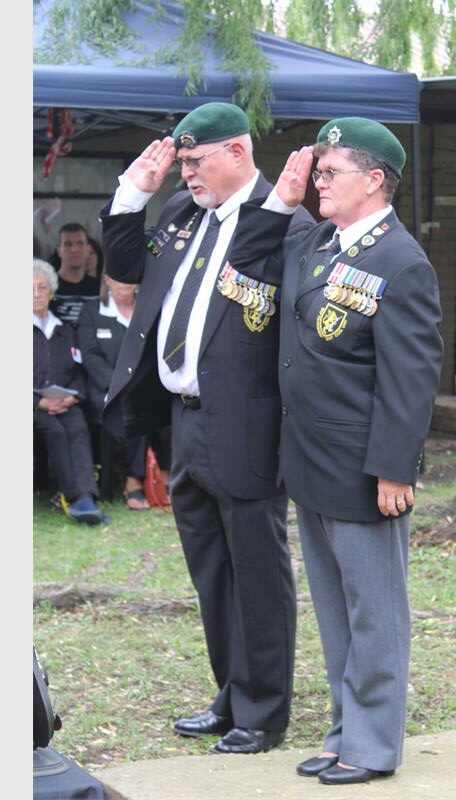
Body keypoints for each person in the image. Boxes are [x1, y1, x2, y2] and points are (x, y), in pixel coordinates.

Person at [228, 118, 444, 784]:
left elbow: (411, 376)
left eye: (329, 173)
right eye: (317, 173)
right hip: (311, 461)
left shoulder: (399, 259)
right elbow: (246, 268)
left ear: (374, 181)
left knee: (374, 612)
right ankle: (345, 729)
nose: (319, 182)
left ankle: (374, 745)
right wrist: (283, 197)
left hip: (362, 468)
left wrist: (392, 468)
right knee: (334, 611)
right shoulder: (318, 241)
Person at [100, 102, 313, 754]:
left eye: (197, 161)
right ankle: (231, 695)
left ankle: (265, 710)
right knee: (212, 573)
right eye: (182, 161)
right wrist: (133, 191)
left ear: (238, 154)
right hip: (183, 422)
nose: (186, 172)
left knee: (256, 571)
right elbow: (128, 266)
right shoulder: (184, 215)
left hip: (246, 424)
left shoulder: (284, 222)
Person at [77, 274, 171, 510]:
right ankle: (134, 479)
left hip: (147, 382)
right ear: (107, 280)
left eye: (128, 279)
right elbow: (90, 355)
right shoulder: (92, 311)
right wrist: (117, 384)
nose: (123, 284)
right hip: (107, 386)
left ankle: (167, 475)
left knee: (166, 409)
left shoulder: (149, 307)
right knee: (131, 407)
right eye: (117, 279)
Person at [33, 258, 104, 525]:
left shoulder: (64, 329)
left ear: (51, 293)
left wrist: (73, 396)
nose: (36, 294)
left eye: (42, 288)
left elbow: (78, 370)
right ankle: (71, 496)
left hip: (64, 401)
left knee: (77, 426)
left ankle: (86, 497)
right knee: (55, 430)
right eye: (29, 289)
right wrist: (38, 402)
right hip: (34, 406)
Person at [51, 223, 100, 324]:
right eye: (68, 244)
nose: (74, 249)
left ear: (88, 249)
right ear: (59, 251)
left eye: (80, 243)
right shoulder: (46, 287)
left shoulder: (100, 289)